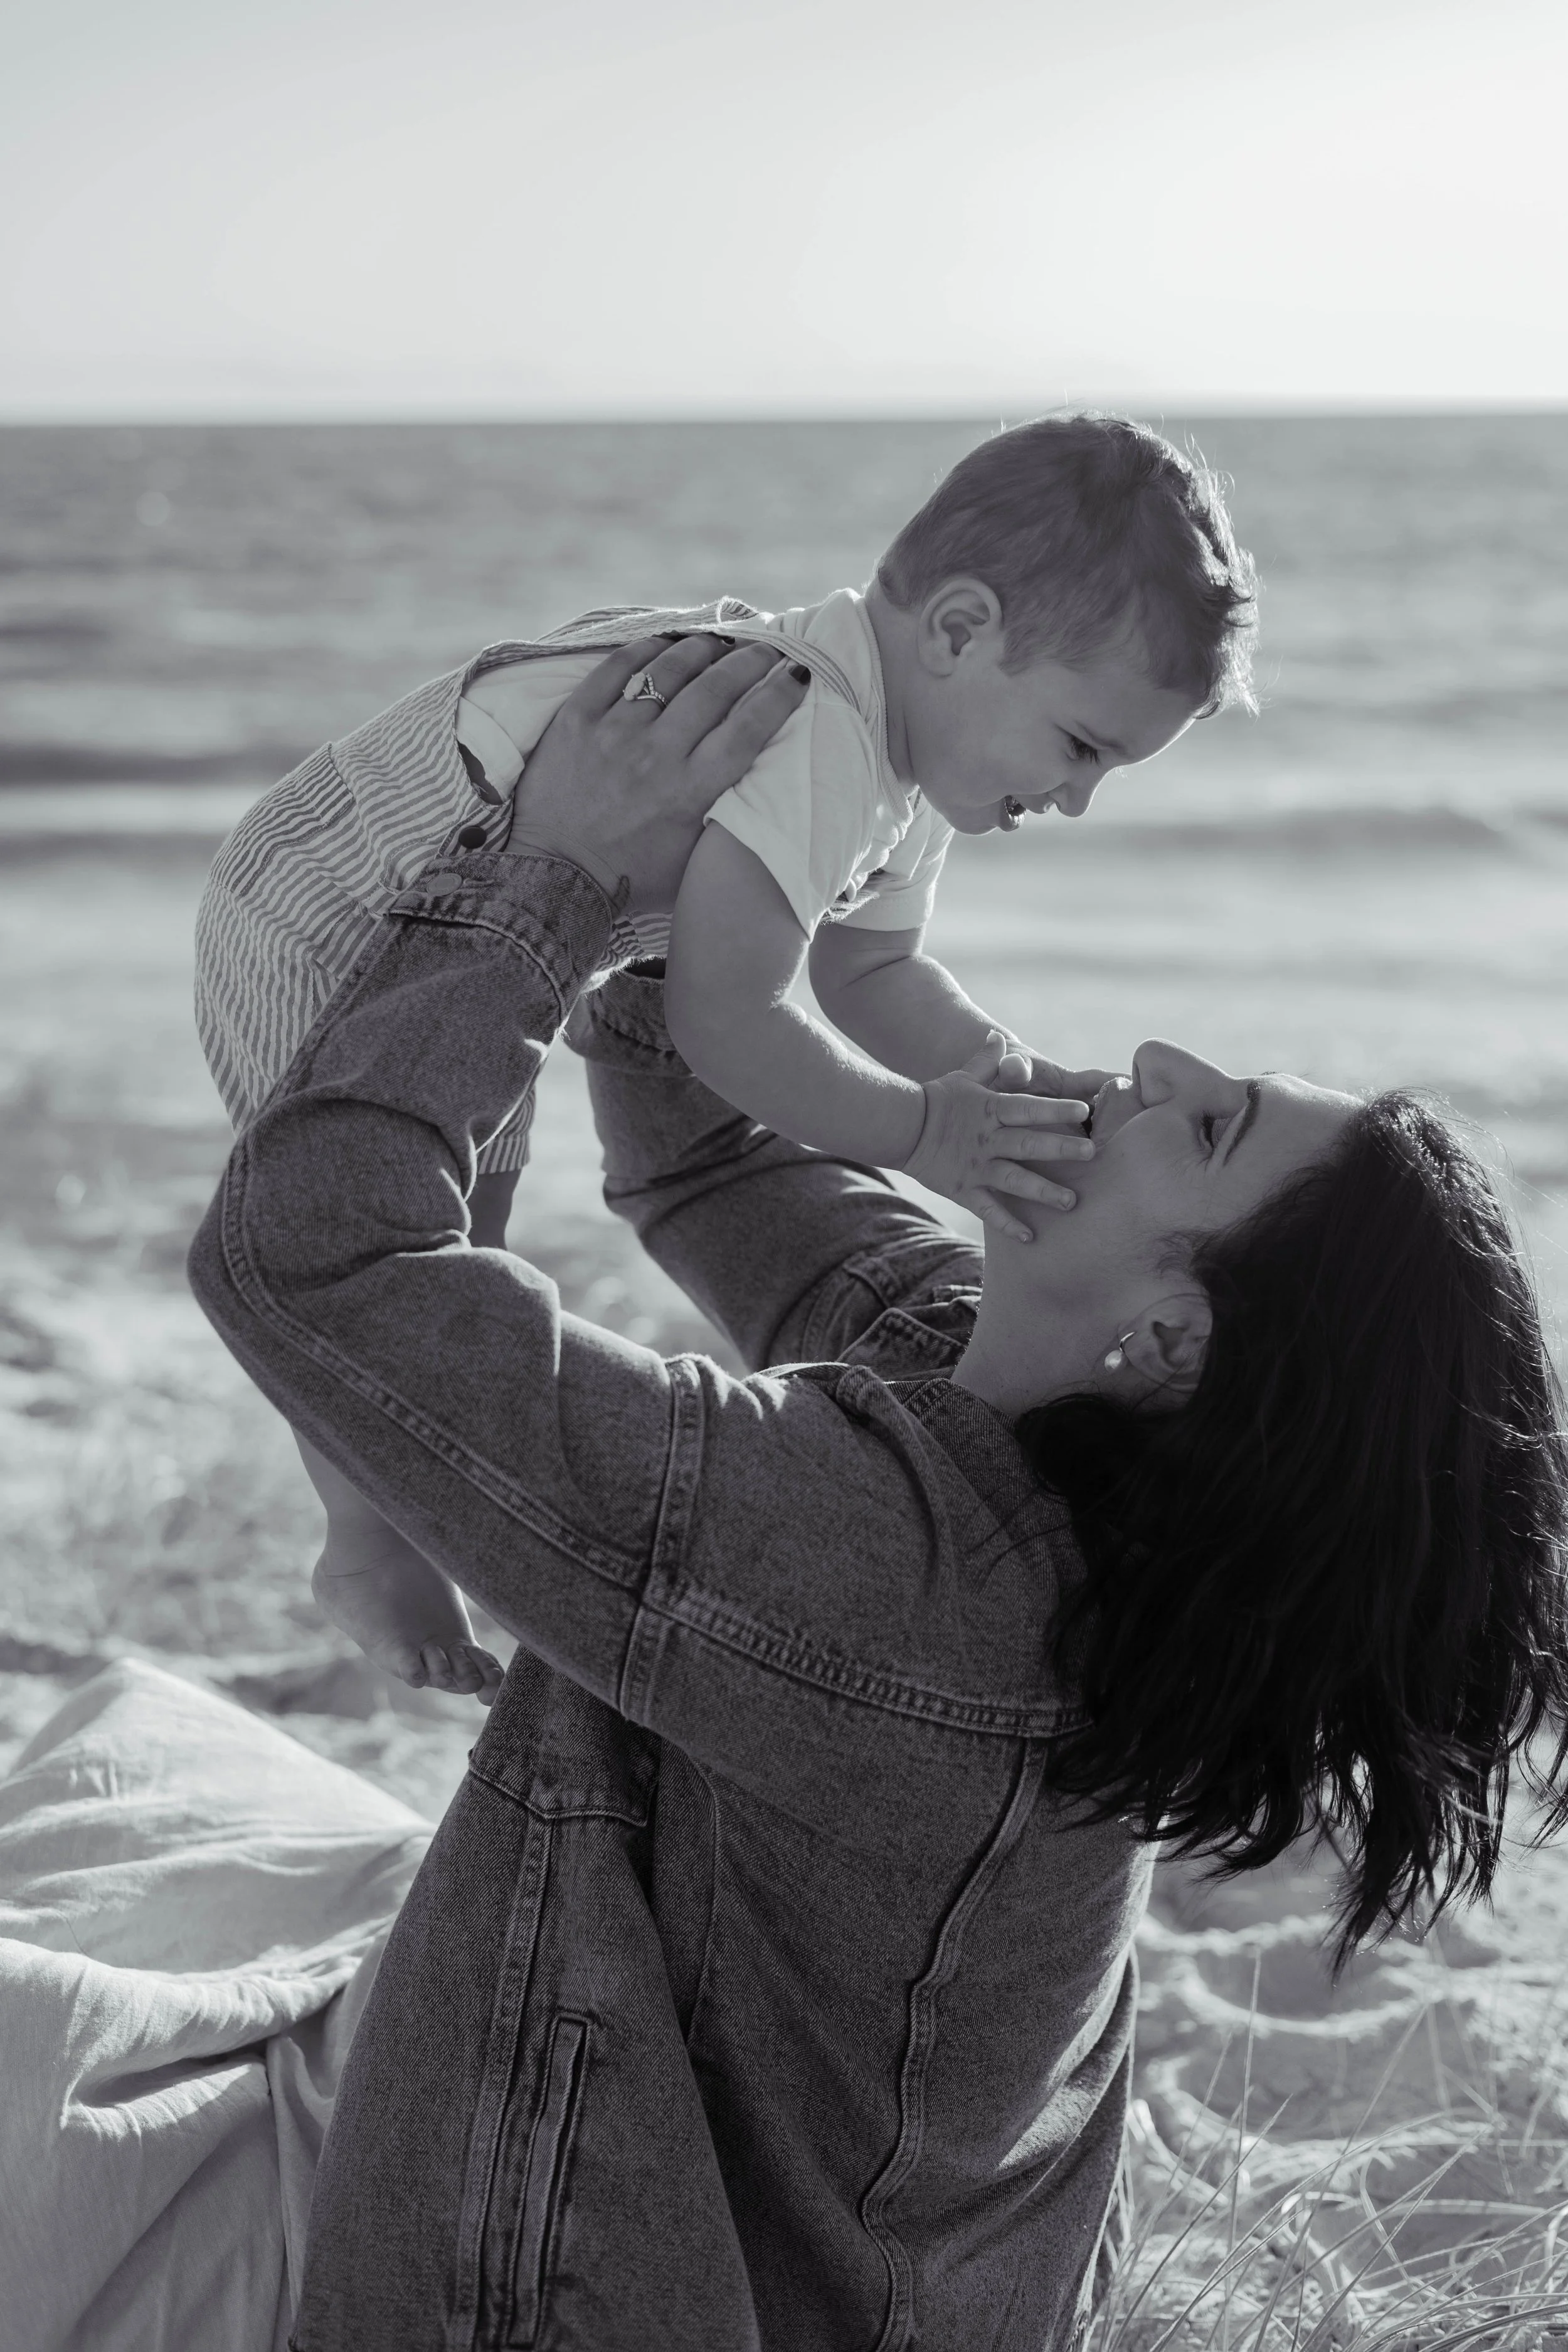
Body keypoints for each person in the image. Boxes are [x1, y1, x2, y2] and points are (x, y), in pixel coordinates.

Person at [186, 639, 1568, 2350]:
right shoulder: (1029, 1425)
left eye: (1205, 1126)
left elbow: (312, 1253)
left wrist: (542, 874)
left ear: (1168, 1336)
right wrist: (757, 844)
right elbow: (705, 1149)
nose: (1154, 1056)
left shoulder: (887, 1576)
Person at [192, 413, 1256, 1700]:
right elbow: (725, 1016)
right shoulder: (820, 736)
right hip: (324, 911)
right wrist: (925, 1133)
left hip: (489, 951)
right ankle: (365, 1544)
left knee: (465, 1254)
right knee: (382, 1242)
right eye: (1080, 746)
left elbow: (873, 974)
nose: (1077, 799)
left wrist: (1007, 1080)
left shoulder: (906, 767)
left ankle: (399, 1517)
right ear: (958, 630)